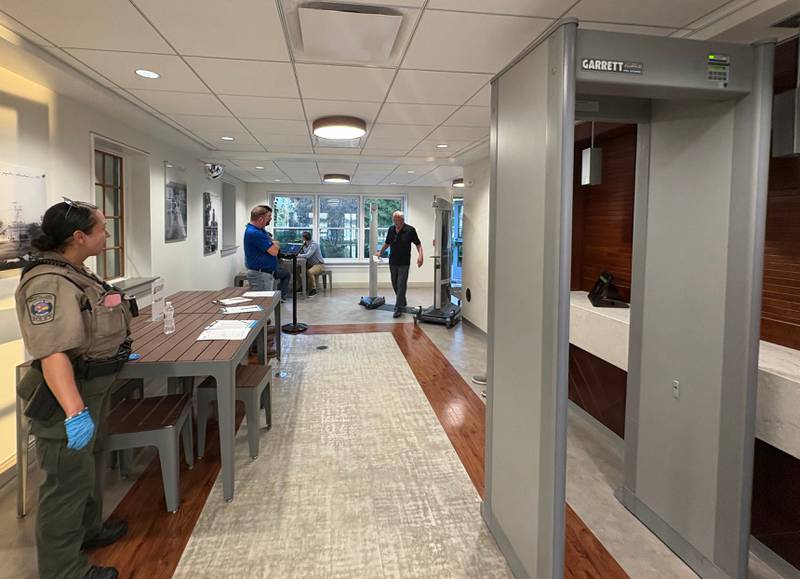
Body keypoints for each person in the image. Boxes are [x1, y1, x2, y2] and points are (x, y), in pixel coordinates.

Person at [15, 198, 136, 579]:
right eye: (102, 229)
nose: (108, 234)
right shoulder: (48, 282)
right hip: (67, 398)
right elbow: (53, 353)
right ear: (79, 236)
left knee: (89, 466)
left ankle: (90, 529)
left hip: (93, 387)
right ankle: (64, 570)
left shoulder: (76, 272)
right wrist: (74, 411)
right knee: (66, 484)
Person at [376, 211, 423, 318]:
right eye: (394, 220)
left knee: (401, 284)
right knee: (394, 283)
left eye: (397, 220)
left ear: (402, 220)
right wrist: (380, 252)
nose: (395, 222)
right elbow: (387, 243)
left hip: (404, 262)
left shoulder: (410, 230)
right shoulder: (391, 229)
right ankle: (402, 300)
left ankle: (398, 308)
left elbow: (418, 244)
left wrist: (421, 256)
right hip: (393, 261)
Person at [243, 205, 290, 301]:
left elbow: (274, 243)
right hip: (260, 275)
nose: (270, 219)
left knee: (266, 304)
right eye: (268, 216)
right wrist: (274, 244)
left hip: (265, 274)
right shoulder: (254, 233)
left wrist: (273, 243)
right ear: (261, 219)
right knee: (263, 304)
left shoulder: (260, 230)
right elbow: (274, 251)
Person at [297, 231, 325, 297]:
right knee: (297, 270)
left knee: (310, 272)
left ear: (304, 238)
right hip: (310, 264)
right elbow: (303, 253)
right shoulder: (304, 244)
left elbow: (307, 255)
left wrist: (298, 255)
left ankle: (313, 290)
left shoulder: (314, 244)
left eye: (302, 237)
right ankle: (303, 287)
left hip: (319, 264)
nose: (301, 238)